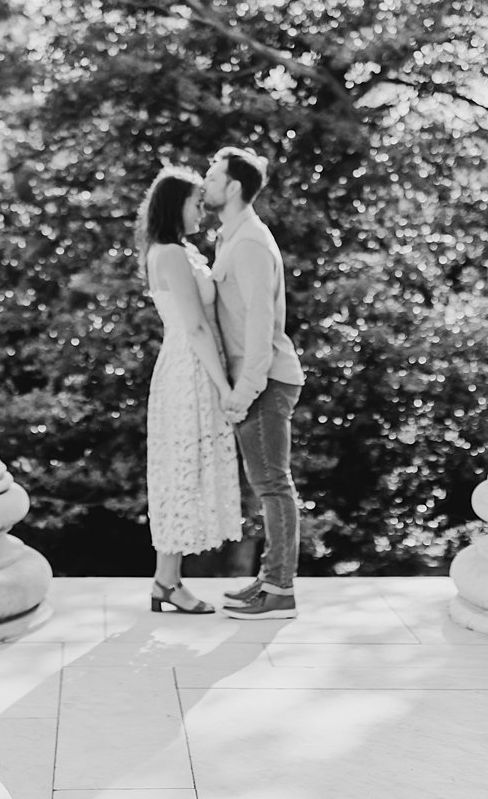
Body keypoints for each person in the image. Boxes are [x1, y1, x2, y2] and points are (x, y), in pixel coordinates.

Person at [202, 146, 306, 620]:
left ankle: (280, 590)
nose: (205, 182)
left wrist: (241, 395)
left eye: (212, 175)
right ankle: (268, 579)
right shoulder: (231, 238)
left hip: (264, 382)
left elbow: (261, 331)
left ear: (234, 187)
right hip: (257, 381)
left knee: (273, 486)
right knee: (266, 484)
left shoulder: (248, 244)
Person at [136, 167, 244, 614]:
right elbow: (196, 326)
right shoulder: (171, 255)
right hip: (190, 369)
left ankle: (166, 581)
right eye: (196, 202)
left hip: (189, 365)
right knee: (181, 470)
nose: (203, 209)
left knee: (182, 469)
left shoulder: (176, 251)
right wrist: (225, 387)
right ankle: (168, 582)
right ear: (174, 205)